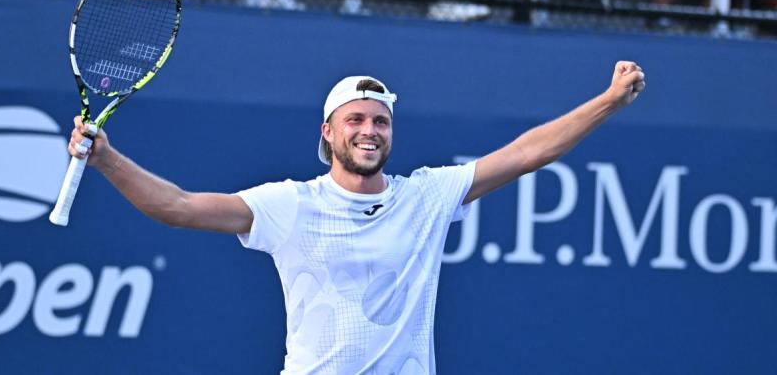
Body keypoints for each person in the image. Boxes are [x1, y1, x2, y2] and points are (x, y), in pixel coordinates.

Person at [66, 61, 645, 374]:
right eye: (356, 120)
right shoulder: (291, 204)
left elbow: (527, 153)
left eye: (380, 122)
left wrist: (607, 101)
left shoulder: (427, 196)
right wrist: (109, 159)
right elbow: (178, 207)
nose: (369, 130)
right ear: (329, 132)